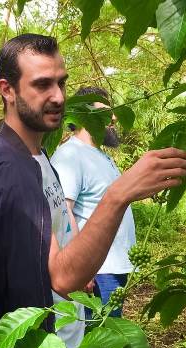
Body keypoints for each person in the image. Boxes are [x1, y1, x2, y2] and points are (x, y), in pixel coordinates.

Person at [0, 33, 186, 348]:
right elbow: (61, 277)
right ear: (6, 89)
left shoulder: (33, 156)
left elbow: (54, 234)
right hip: (34, 347)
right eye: (42, 84)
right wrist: (119, 194)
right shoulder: (8, 168)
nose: (58, 97)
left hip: (63, 336)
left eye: (61, 83)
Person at [51, 86, 135, 318]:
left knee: (109, 339)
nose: (114, 118)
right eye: (105, 113)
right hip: (97, 271)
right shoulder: (70, 155)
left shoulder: (99, 155)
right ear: (85, 115)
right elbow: (63, 211)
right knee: (99, 344)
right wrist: (81, 268)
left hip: (111, 269)